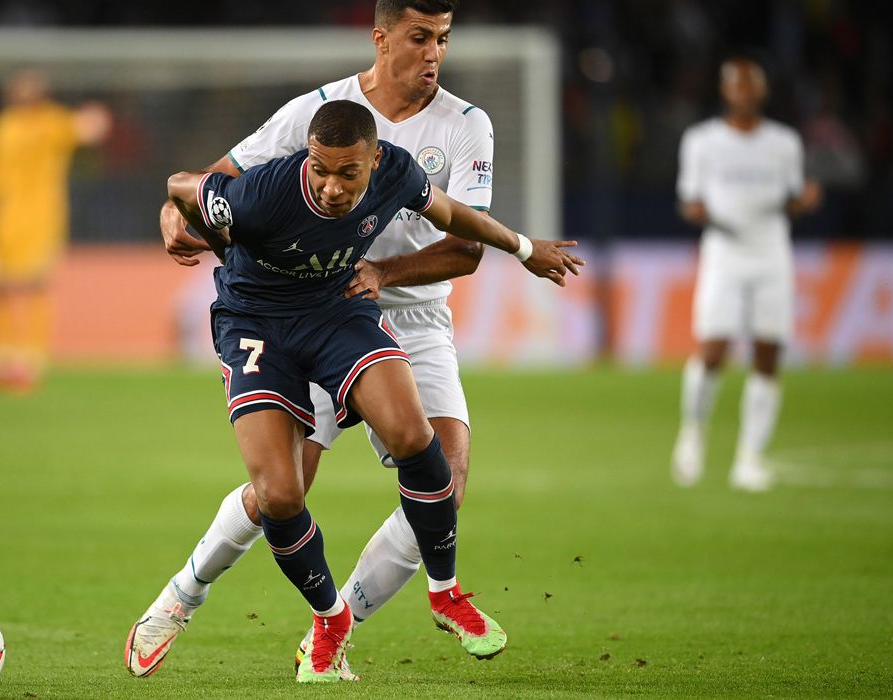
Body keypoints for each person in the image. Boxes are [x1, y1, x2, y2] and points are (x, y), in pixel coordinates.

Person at [132, 0, 573, 679]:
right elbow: (214, 182)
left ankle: (336, 630)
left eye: (443, 38)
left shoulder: (464, 125)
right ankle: (182, 595)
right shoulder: (315, 113)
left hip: (407, 314)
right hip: (310, 303)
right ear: (382, 37)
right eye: (420, 37)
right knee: (281, 491)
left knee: (442, 473)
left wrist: (398, 269)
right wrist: (177, 210)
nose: (434, 52)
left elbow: (463, 246)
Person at [671, 56, 822, 491]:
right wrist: (703, 211)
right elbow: (689, 200)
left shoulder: (784, 143)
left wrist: (804, 201)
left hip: (772, 253)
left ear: (763, 90)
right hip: (724, 253)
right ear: (725, 91)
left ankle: (749, 458)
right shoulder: (702, 141)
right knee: (713, 349)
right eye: (737, 85)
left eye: (751, 84)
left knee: (768, 353)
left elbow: (793, 197)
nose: (744, 92)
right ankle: (693, 433)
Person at [0, 70, 111, 393]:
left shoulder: (52, 122)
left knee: (33, 285)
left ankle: (32, 360)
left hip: (41, 218)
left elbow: (87, 129)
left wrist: (97, 119)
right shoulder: (3, 126)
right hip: (5, 218)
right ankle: (3, 357)